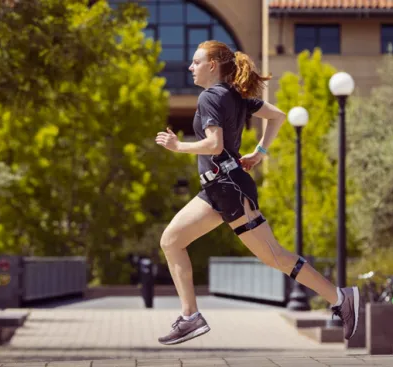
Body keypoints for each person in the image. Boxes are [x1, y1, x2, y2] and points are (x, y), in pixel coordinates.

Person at [153, 40, 360, 346]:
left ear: (212, 66)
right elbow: (277, 116)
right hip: (217, 190)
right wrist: (260, 152)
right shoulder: (235, 95)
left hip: (230, 189)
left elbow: (215, 145)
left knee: (275, 256)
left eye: (196, 62)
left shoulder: (211, 96)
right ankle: (190, 317)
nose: (190, 67)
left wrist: (178, 146)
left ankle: (340, 297)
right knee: (171, 240)